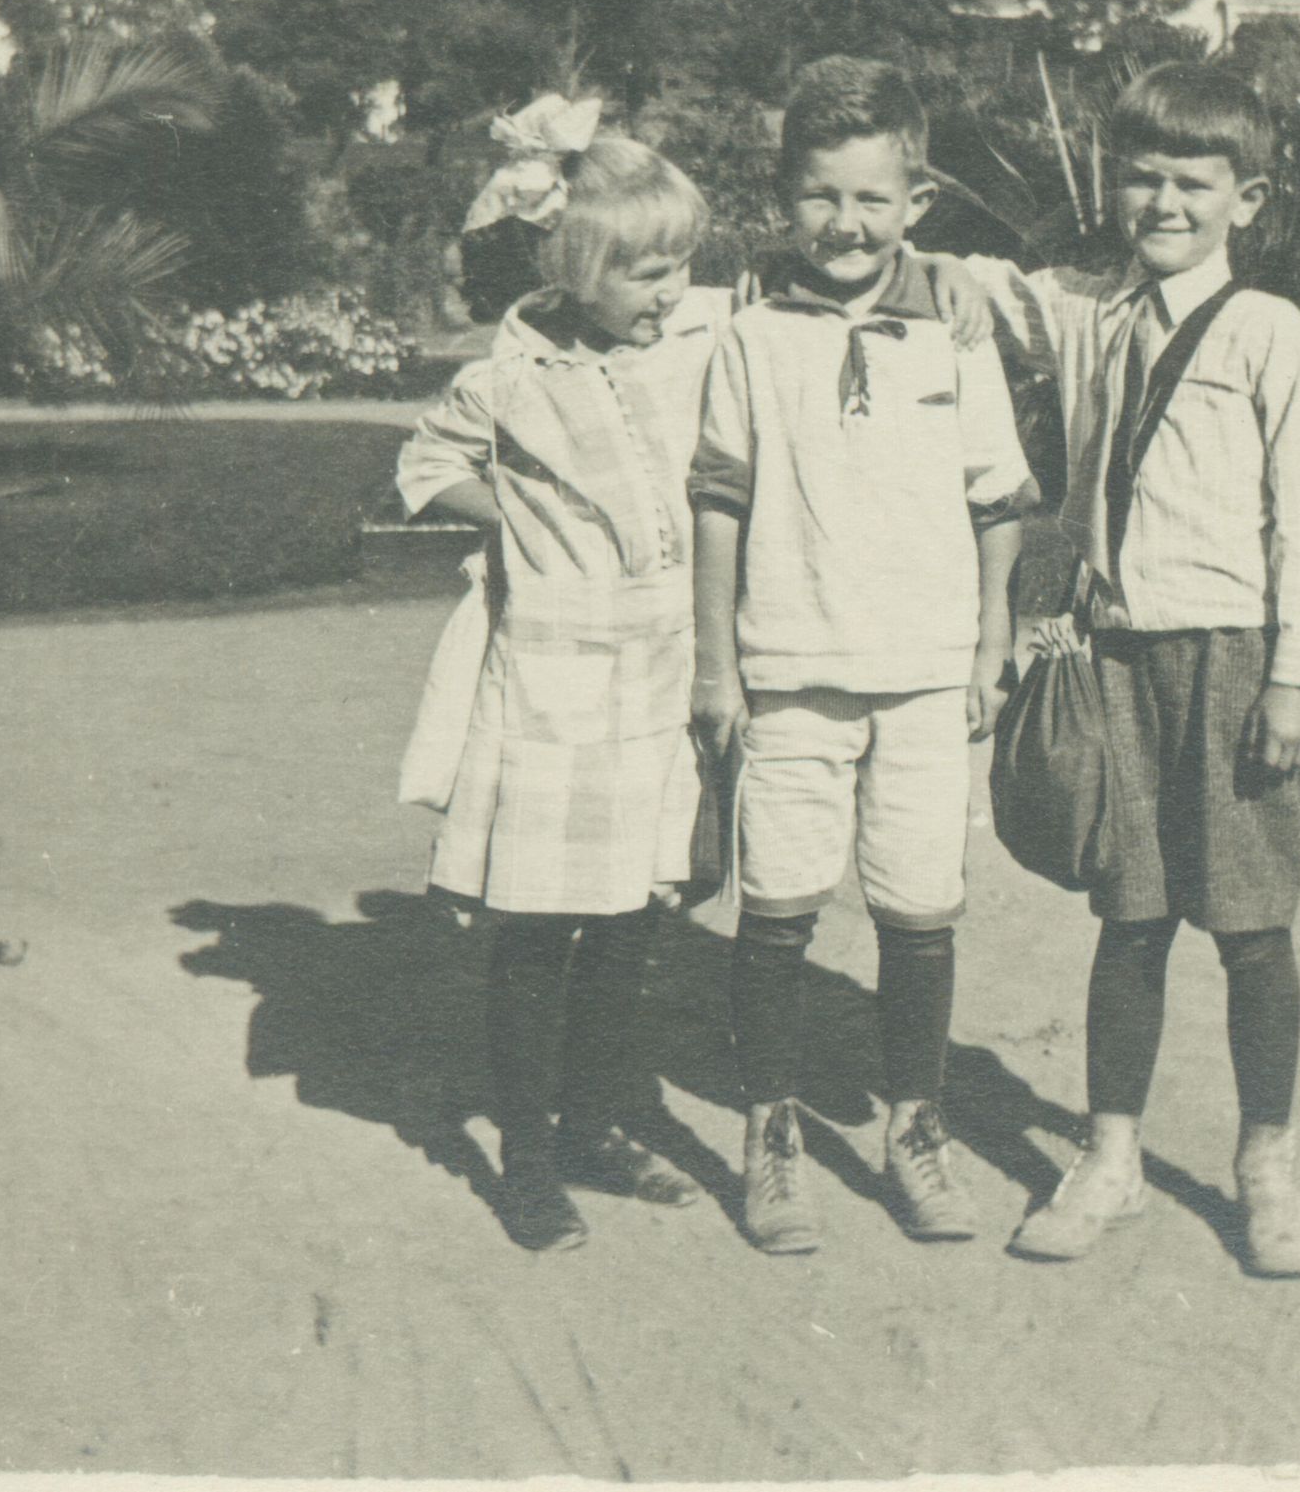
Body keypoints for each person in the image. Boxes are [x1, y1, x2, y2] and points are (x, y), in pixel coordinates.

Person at [396, 95, 989, 1254]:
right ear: (572, 267)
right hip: (557, 681)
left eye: (680, 265)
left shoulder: (710, 329)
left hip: (670, 670)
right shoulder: (514, 373)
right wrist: (524, 526)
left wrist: (945, 270)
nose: (671, 290)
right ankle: (525, 1161)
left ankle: (596, 1123)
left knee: (635, 912)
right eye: (645, 273)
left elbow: (845, 276)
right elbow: (426, 467)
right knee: (539, 925)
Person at [964, 60, 1300, 1275]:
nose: (1165, 202)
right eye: (1143, 177)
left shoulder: (1270, 333)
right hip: (1114, 659)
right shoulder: (1088, 310)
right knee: (1129, 917)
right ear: (1114, 185)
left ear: (1250, 199)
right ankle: (1111, 1157)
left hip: (1236, 666)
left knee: (1250, 925)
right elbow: (973, 291)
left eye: (1195, 182)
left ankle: (1267, 1169)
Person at [690, 57, 1037, 1256]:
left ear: (916, 202)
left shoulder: (956, 331)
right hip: (791, 669)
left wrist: (992, 639)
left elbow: (998, 497)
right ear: (785, 197)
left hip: (929, 673)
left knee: (918, 909)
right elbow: (719, 499)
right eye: (821, 196)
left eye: (873, 199)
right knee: (778, 909)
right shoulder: (748, 335)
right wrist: (716, 663)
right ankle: (771, 1133)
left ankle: (915, 1131)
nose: (846, 223)